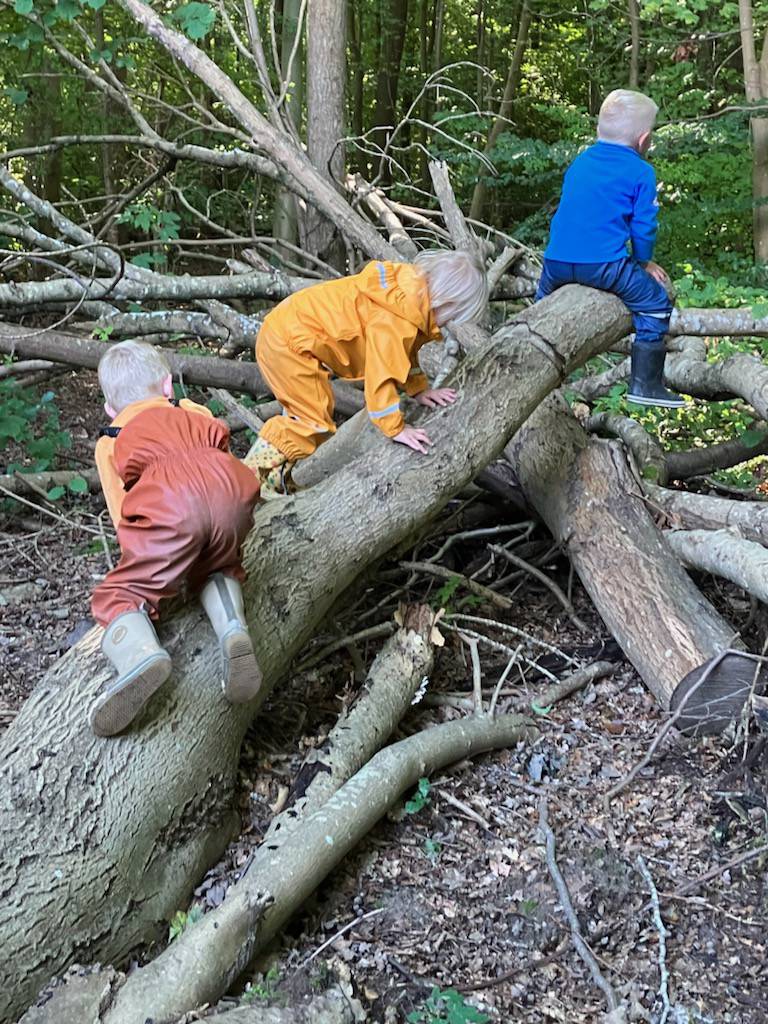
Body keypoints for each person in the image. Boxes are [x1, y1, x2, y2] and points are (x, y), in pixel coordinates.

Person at [89, 341, 262, 737]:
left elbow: (123, 515)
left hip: (170, 508)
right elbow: (218, 457)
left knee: (117, 595)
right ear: (168, 386)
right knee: (218, 563)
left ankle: (140, 656)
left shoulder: (110, 439)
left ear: (110, 410)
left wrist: (152, 563)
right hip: (232, 492)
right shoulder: (192, 410)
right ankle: (233, 628)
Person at [245, 250, 488, 496]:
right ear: (446, 302)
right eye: (454, 315)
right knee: (313, 421)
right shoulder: (397, 318)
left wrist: (419, 389)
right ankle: (252, 479)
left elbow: (404, 354)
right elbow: (382, 373)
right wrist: (395, 428)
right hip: (290, 344)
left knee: (303, 417)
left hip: (286, 333)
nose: (450, 322)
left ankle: (276, 480)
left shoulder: (407, 296)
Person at [536, 88, 684, 408]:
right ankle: (645, 384)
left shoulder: (580, 162)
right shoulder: (641, 171)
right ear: (643, 140)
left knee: (540, 310)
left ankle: (536, 361)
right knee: (656, 303)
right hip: (603, 265)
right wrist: (643, 262)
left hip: (555, 262)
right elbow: (644, 227)